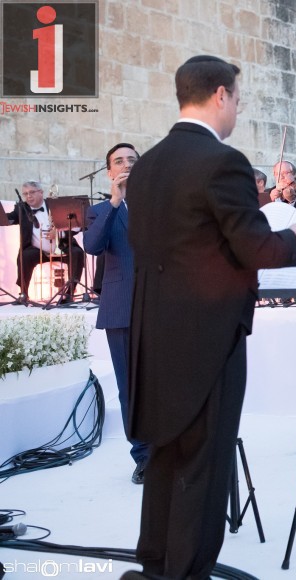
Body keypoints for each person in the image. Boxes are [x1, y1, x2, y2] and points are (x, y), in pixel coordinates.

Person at [125, 55, 296, 578]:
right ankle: (187, 572)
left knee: (165, 456)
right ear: (221, 95)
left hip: (154, 334)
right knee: (205, 467)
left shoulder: (146, 167)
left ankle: (156, 564)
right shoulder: (222, 162)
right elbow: (257, 248)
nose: (237, 109)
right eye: (238, 98)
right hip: (207, 338)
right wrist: (294, 238)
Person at [83, 143, 149, 484]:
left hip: (162, 307)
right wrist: (114, 201)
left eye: (132, 160)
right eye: (119, 161)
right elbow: (93, 246)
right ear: (109, 171)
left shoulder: (160, 205)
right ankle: (144, 457)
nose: (126, 165)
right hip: (122, 308)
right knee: (130, 387)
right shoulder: (99, 210)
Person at [6, 181, 85, 303]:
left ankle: (69, 293)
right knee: (24, 256)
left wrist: (59, 233)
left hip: (62, 246)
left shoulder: (55, 204)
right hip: (37, 251)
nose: (28, 196)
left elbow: (76, 225)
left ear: (41, 192)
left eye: (32, 192)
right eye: (25, 194)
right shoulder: (21, 208)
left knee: (77, 253)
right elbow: (8, 219)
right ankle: (23, 293)